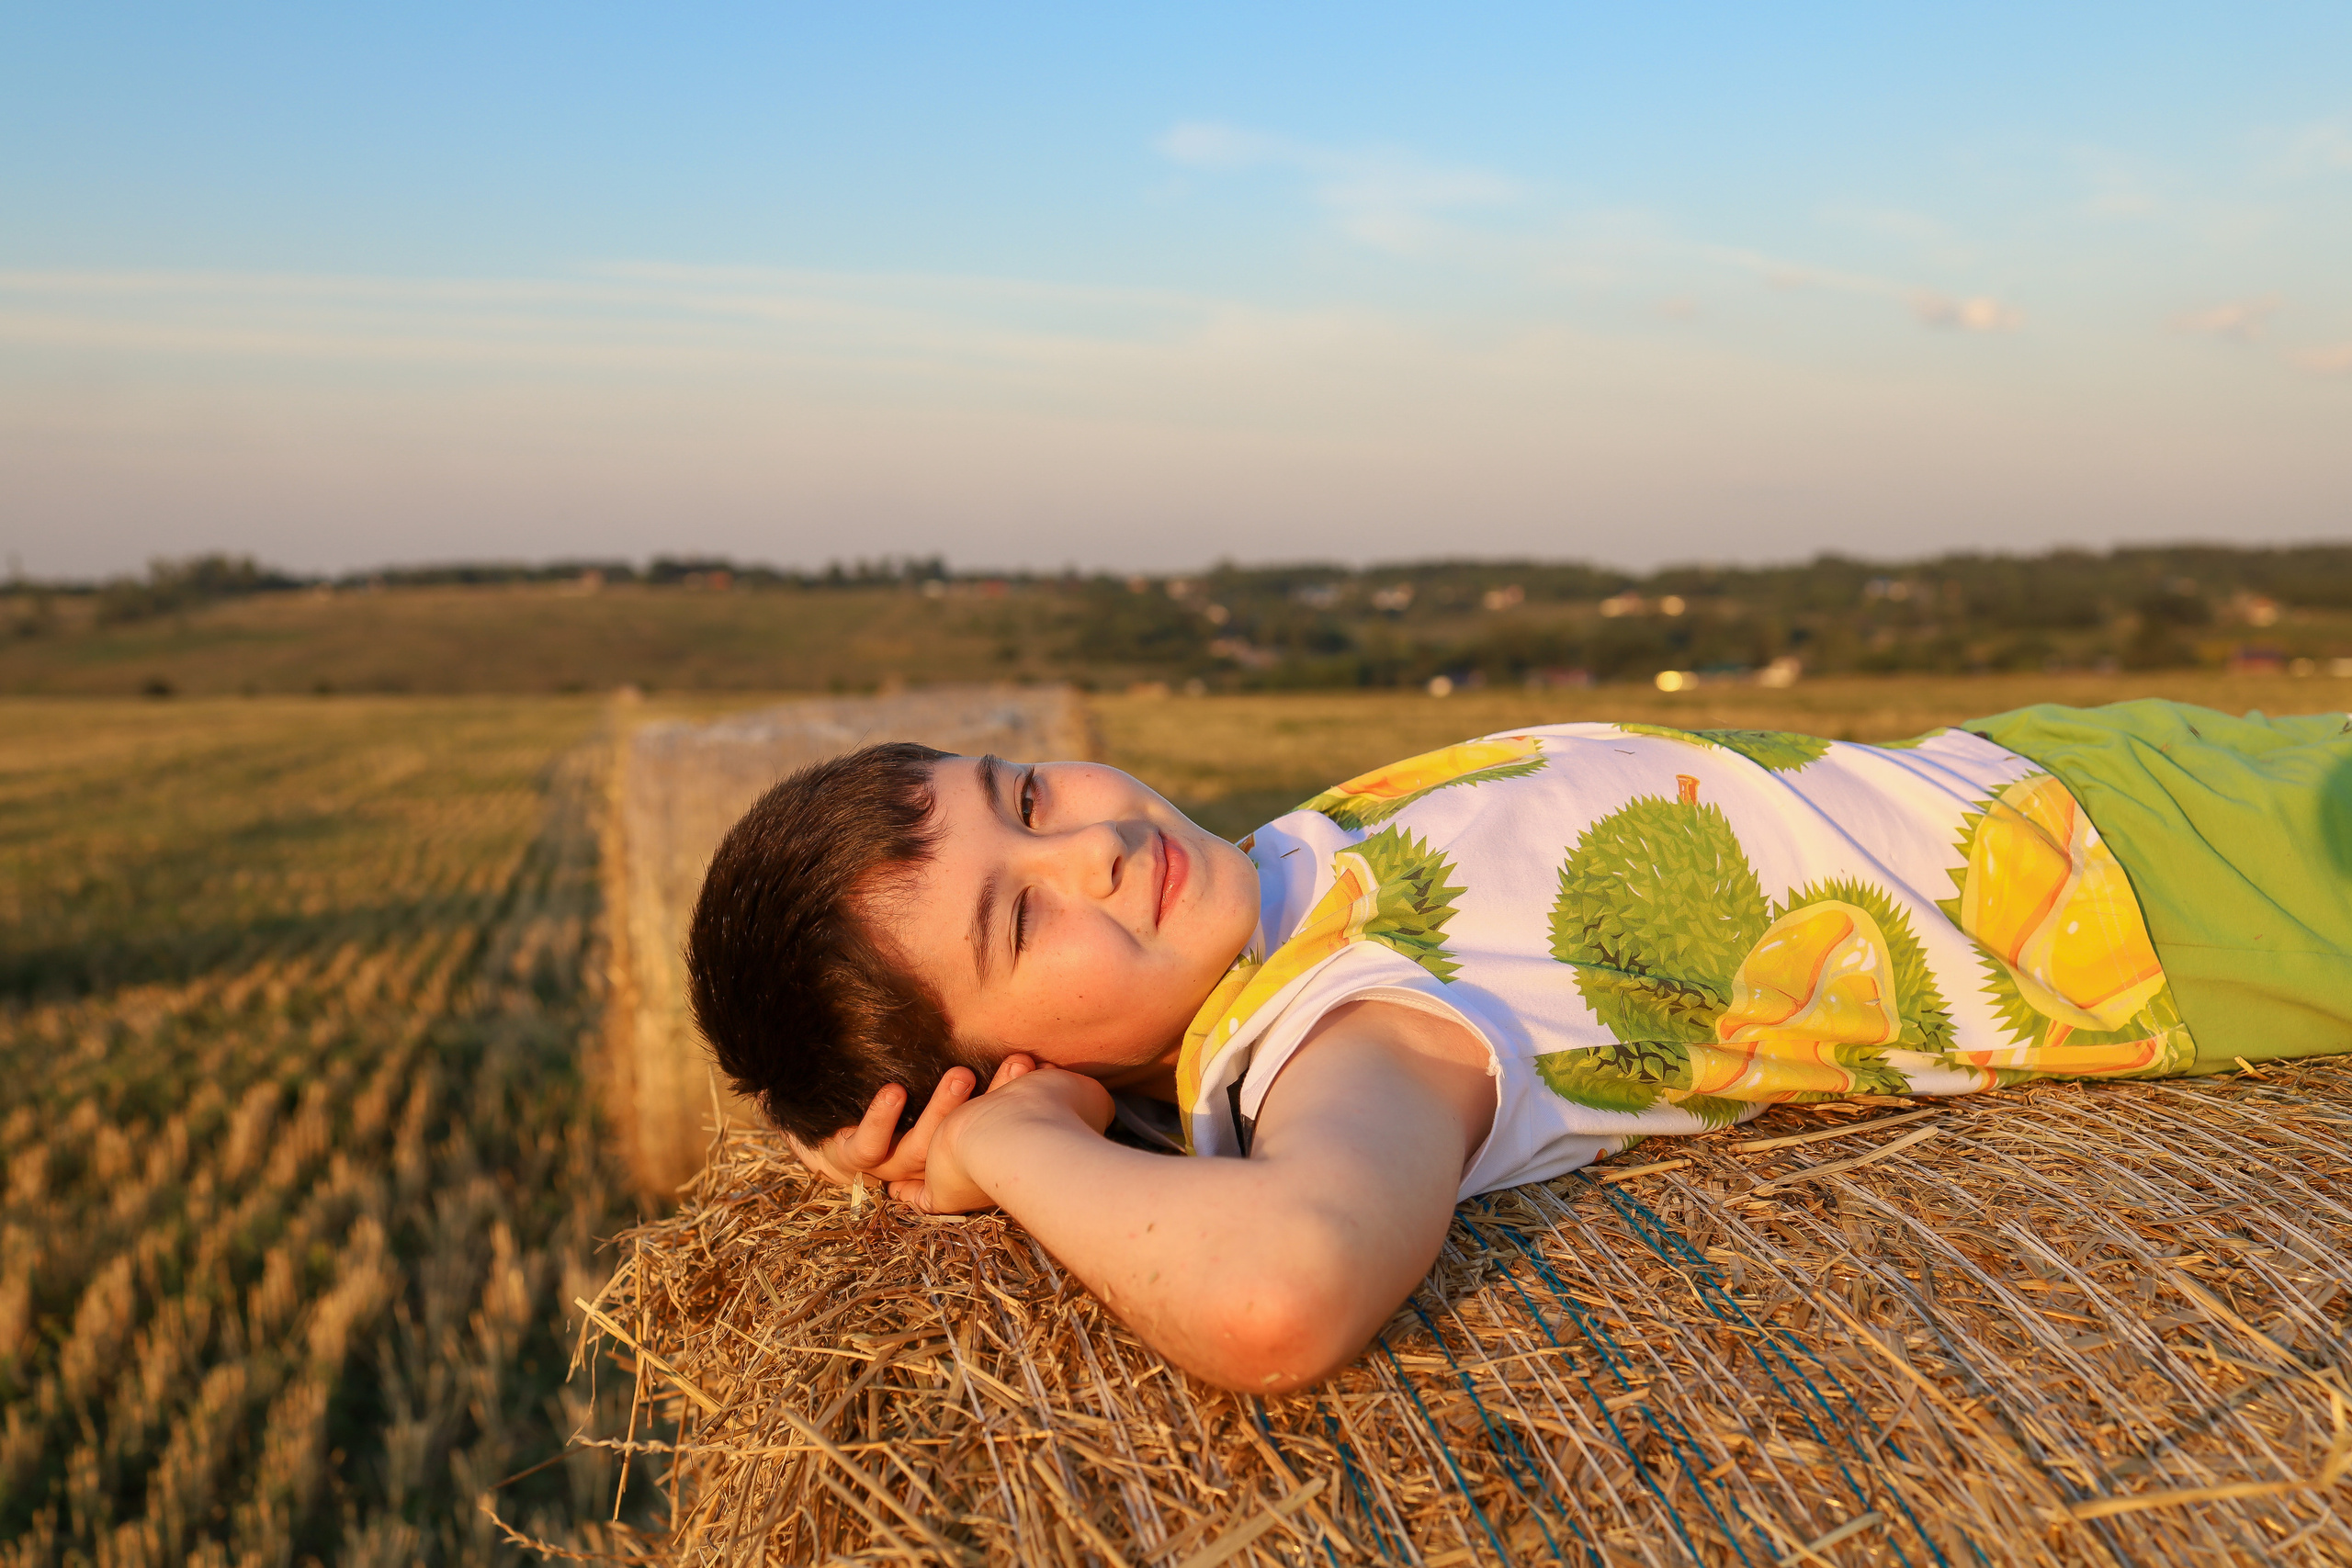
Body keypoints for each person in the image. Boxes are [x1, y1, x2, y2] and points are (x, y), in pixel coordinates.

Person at [686, 700, 2352, 1392]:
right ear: (1007, 1065)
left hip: (2076, 770)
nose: (1089, 853)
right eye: (1018, 925)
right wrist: (1001, 1147)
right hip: (2169, 915)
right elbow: (1279, 1289)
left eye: (1026, 799)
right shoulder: (1331, 1032)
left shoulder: (1283, 878)